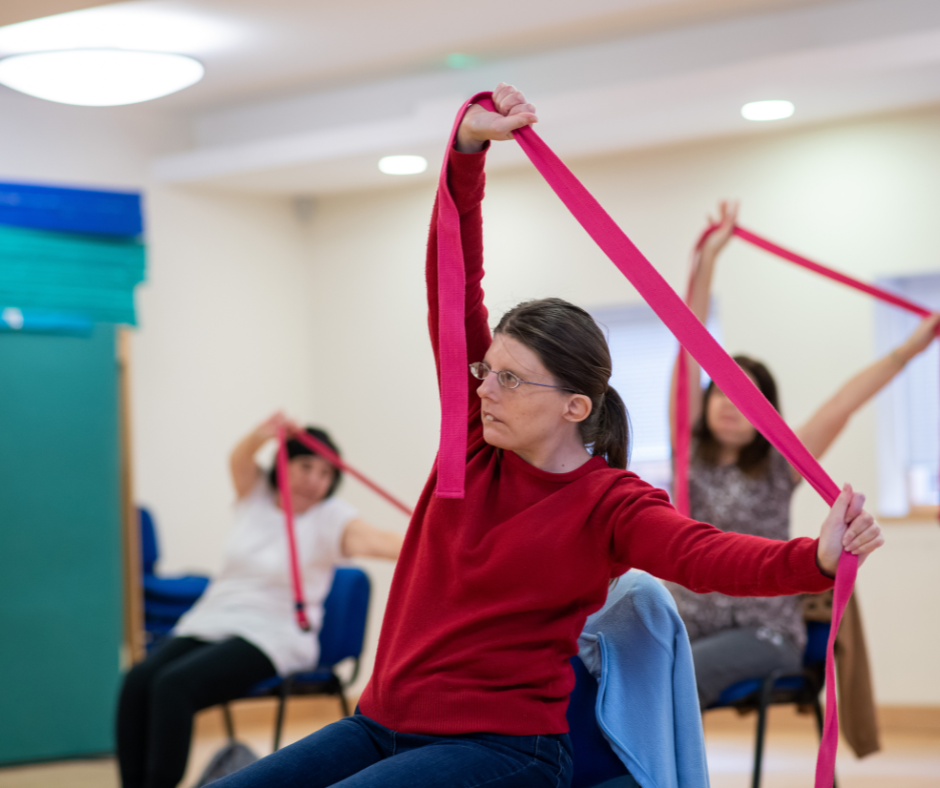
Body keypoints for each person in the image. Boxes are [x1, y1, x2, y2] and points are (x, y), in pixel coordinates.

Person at [211, 84, 884, 788]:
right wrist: (466, 152)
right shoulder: (467, 451)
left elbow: (702, 554)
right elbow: (453, 282)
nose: (482, 389)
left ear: (574, 406)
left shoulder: (609, 503)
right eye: (485, 369)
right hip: (379, 725)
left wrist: (818, 559)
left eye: (509, 379)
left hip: (505, 751)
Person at [666, 201, 940, 709]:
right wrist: (706, 264)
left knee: (670, 682)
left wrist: (912, 349)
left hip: (763, 633)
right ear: (704, 403)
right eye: (721, 391)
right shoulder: (688, 455)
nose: (730, 404)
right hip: (688, 625)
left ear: (765, 412)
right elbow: (688, 344)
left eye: (747, 396)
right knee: (612, 669)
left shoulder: (779, 464)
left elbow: (843, 402)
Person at [116, 412, 404, 788]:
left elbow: (380, 542)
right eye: (305, 467)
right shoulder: (255, 497)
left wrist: (444, 538)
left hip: (274, 632)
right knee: (138, 680)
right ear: (282, 464)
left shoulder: (332, 518)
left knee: (173, 686)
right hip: (213, 619)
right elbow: (239, 458)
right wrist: (264, 433)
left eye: (325, 474)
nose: (315, 481)